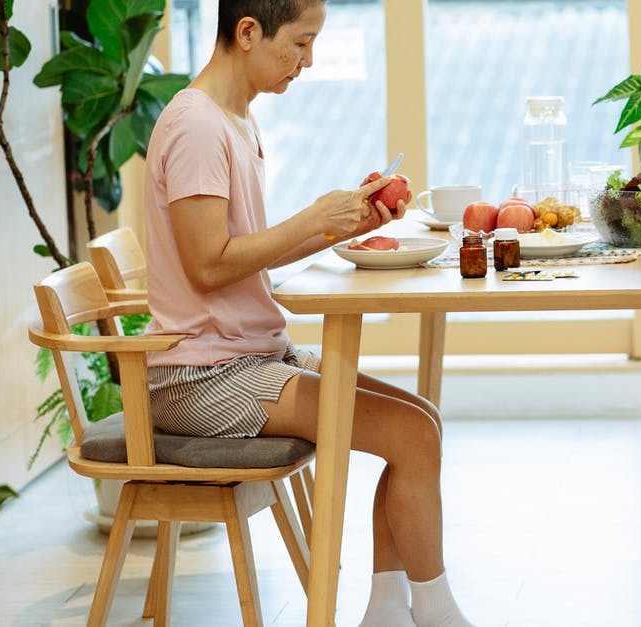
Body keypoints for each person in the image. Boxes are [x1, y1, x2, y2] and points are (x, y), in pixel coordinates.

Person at [140, 2, 473, 626]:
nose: (308, 60)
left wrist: (338, 226)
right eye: (300, 42)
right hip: (201, 379)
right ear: (247, 33)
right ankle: (434, 615)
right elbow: (208, 265)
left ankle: (387, 611)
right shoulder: (197, 127)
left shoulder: (235, 120)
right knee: (413, 434)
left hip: (245, 359)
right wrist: (312, 219)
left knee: (420, 421)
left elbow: (244, 257)